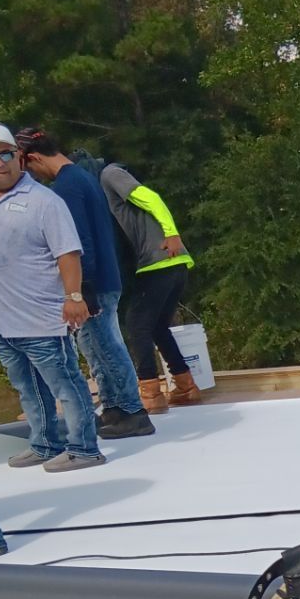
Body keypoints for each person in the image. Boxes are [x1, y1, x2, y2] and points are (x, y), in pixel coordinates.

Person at [15, 129, 153, 439]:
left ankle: (133, 411)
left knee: (106, 345)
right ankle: (115, 407)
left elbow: (78, 241)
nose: (32, 176)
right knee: (94, 346)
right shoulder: (81, 177)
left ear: (34, 158)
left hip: (94, 280)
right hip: (103, 275)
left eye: (29, 168)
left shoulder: (67, 186)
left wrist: (80, 288)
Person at [0, 122, 106, 472]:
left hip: (42, 317)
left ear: (20, 158)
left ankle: (84, 447)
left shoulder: (44, 201)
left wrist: (74, 296)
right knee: (28, 390)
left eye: (6, 154)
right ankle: (44, 443)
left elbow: (68, 254)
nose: (0, 162)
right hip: (1, 321)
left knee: (66, 385)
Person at [98, 158, 200, 413]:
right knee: (157, 327)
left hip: (160, 261)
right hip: (173, 264)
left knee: (137, 324)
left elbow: (151, 198)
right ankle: (186, 387)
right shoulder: (107, 185)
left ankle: (150, 393)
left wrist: (172, 233)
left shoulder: (110, 174)